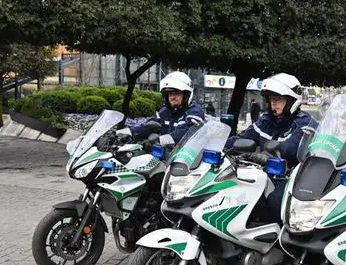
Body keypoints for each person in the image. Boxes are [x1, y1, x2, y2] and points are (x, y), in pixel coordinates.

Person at [225, 73, 318, 222]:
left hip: (290, 179)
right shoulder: (266, 121)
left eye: (279, 99)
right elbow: (243, 138)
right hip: (263, 174)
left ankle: (281, 242)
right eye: (271, 99)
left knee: (275, 201)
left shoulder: (305, 123)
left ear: (292, 100)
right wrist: (220, 144)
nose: (274, 103)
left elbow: (291, 149)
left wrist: (264, 153)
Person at [127, 71, 205, 144]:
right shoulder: (165, 111)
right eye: (170, 94)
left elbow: (186, 131)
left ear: (186, 95)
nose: (172, 97)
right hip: (164, 154)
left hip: (184, 155)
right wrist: (128, 132)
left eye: (176, 93)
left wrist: (160, 140)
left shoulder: (195, 111)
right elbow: (148, 126)